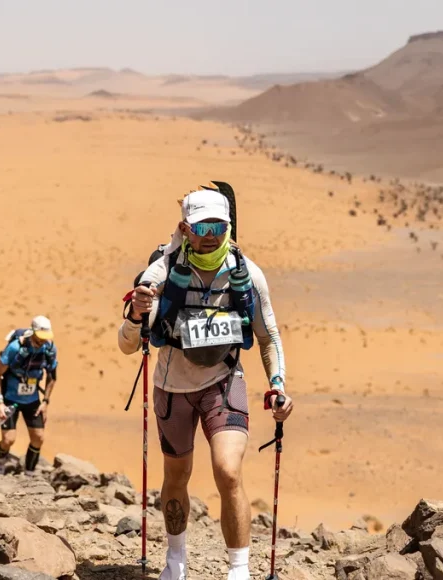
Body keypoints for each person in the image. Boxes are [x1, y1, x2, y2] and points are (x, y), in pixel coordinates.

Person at [118, 187, 294, 580]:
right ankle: (176, 562)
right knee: (177, 476)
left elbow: (269, 336)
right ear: (186, 228)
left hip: (223, 381)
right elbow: (128, 345)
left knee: (228, 471)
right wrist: (135, 314)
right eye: (202, 227)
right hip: (172, 387)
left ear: (229, 227)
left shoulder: (247, 275)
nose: (211, 234)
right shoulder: (161, 273)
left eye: (219, 225)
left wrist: (278, 384)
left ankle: (239, 570)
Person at [0, 315, 58, 476]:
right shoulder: (15, 347)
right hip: (10, 399)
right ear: (32, 332)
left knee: (38, 438)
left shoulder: (49, 350)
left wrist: (45, 402)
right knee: (8, 440)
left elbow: (52, 376)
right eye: (40, 337)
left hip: (32, 400)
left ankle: (29, 472)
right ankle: (0, 462)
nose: (43, 341)